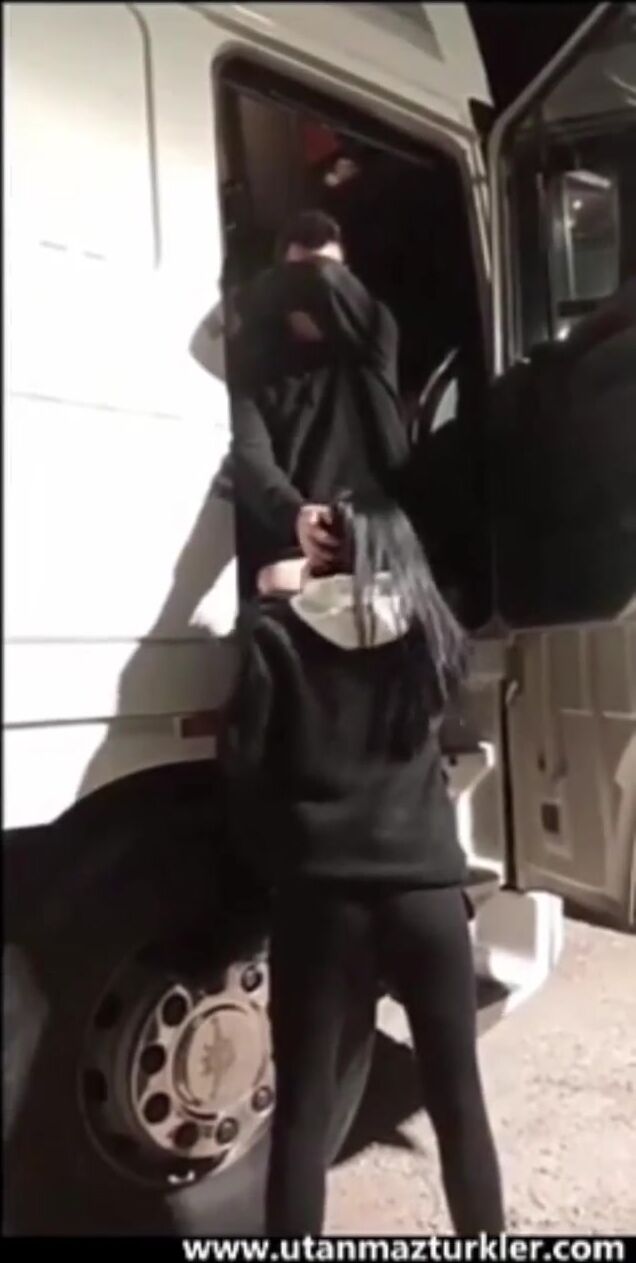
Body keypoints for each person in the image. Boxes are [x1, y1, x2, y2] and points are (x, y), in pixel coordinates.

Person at [220, 491, 505, 1236]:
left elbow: (243, 770)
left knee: (303, 1118)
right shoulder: (433, 635)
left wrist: (278, 580)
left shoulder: (275, 636)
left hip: (321, 900)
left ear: (321, 551)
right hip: (426, 897)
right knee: (459, 1106)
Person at [227, 210, 410, 593]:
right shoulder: (257, 366)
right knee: (270, 584)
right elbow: (250, 456)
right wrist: (295, 515)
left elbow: (326, 284)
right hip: (301, 549)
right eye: (296, 281)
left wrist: (292, 280)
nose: (314, 298)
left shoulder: (373, 338)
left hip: (380, 543)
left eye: (327, 277)